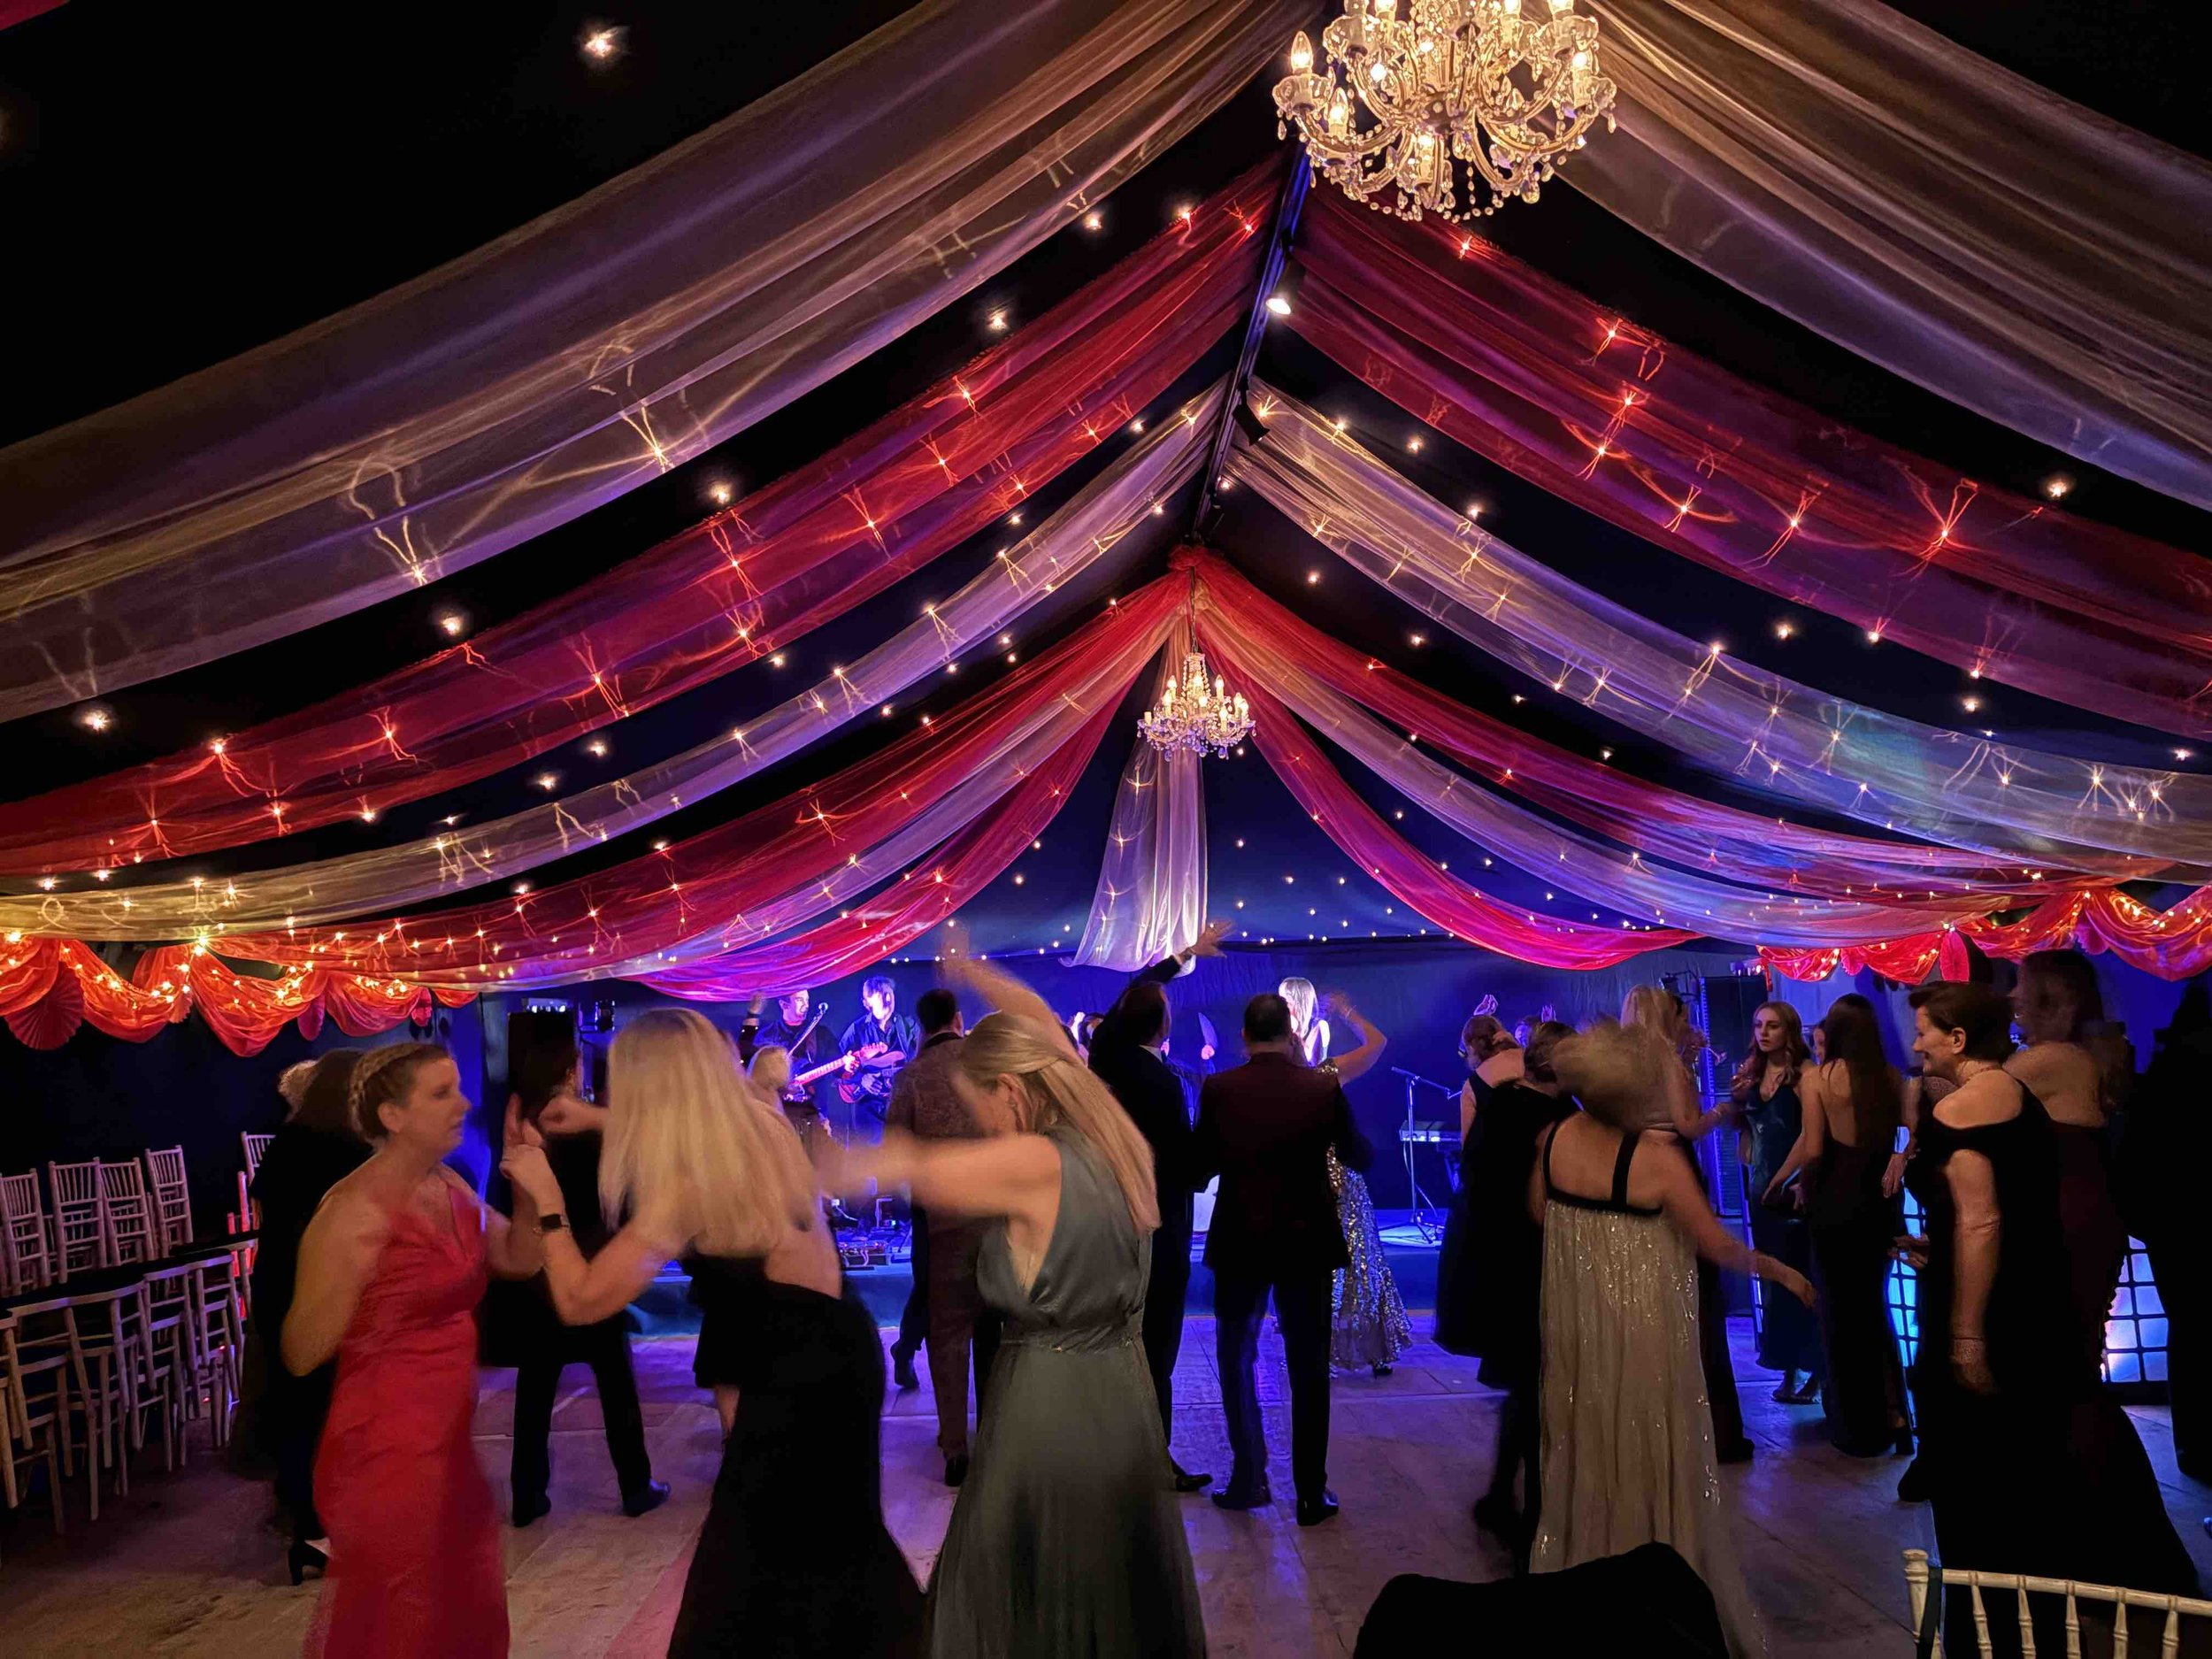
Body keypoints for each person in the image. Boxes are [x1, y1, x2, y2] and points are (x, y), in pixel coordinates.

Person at [502, 1009, 923, 1658]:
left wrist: (546, 1199)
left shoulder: (686, 1183)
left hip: (793, 1376)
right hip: (842, 1346)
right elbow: (684, 1130)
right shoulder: (758, 1117)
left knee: (755, 1572)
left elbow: (583, 1299)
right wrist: (591, 1120)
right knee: (834, 1540)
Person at [849, 955, 1204, 1656]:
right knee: (1110, 1586)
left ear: (1011, 1090)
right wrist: (976, 967)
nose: (977, 1124)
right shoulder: (1111, 1138)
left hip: (1048, 1408)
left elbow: (904, 1168)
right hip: (1121, 1400)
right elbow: (1047, 1032)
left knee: (1023, 1589)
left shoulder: (1037, 1160)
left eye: (978, 1106)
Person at [1901, 981, 2199, 1648]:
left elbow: (1981, 1220)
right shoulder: (2011, 1093)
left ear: (1956, 1038)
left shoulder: (1968, 1106)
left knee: (1976, 1477)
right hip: (2034, 1299)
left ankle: (1995, 1631)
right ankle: (2042, 1618)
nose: (1915, 1041)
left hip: (1993, 1309)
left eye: (1924, 1029)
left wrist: (1967, 1336)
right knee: (2022, 1464)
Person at [1531, 1021, 1812, 1659]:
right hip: (1643, 1323)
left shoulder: (1555, 1137)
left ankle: (1585, 1567)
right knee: (1650, 1432)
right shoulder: (1656, 1156)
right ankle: (1657, 1571)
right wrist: (1782, 1270)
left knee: (1587, 1436)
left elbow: (1538, 1213)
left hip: (1579, 1323)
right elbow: (1716, 1245)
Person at [282, 1042, 548, 1657]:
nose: (465, 1102)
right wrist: (359, 1295)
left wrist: (529, 1183)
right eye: (442, 1092)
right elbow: (299, 1351)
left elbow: (518, 1256)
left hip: (445, 1441)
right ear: (392, 1116)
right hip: (385, 1449)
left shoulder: (448, 1184)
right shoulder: (353, 1213)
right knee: (407, 1621)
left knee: (467, 1608)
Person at [1198, 990, 1374, 1525]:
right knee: (1307, 1366)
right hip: (1306, 1239)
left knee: (1236, 1358)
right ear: (1291, 1034)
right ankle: (1310, 1493)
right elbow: (1357, 1155)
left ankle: (1248, 1477)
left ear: (1245, 1038)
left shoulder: (1221, 1088)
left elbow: (1201, 1160)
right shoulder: (1321, 1087)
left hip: (1242, 1238)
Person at [1085, 922, 1233, 1494]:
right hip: (1157, 1229)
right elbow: (1187, 1168)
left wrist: (1180, 958)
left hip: (1107, 1222)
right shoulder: (1164, 1084)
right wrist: (1219, 1128)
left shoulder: (1107, 1057)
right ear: (1165, 1025)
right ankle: (1150, 1459)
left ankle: (1111, 1454)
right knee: (1155, 1351)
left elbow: (1132, 997)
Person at [503, 1036, 665, 1528]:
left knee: (534, 1390)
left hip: (539, 1266)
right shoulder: (587, 1119)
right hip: (590, 1257)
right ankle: (635, 1487)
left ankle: (527, 1496)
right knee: (616, 1384)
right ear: (570, 1069)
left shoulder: (522, 1121)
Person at [1763, 995, 1913, 1458]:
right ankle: (1897, 1417)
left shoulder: (1821, 1079)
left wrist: (1800, 1188)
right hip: (1880, 1203)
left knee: (1838, 1316)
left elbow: (1812, 1150)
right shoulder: (1890, 1078)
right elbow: (1915, 1132)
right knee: (1875, 1310)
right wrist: (1900, 1160)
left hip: (1835, 1202)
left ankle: (1855, 1428)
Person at [1454, 1019, 1575, 1563]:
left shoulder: (1495, 1104)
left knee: (1526, 1387)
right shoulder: (1559, 1119)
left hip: (1493, 1262)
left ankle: (1505, 1496)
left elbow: (1472, 1175)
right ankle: (1534, 1516)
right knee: (1538, 1388)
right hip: (1537, 1264)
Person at [250, 1049, 370, 1586]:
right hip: (330, 1287)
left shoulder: (285, 1144)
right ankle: (339, 1522)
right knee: (339, 1408)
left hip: (277, 1282)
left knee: (296, 1405)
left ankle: (308, 1530)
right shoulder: (354, 1150)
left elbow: (264, 1220)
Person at [1623, 986, 1752, 1463]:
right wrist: (1723, 1107)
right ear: (1669, 1016)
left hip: (1638, 1173)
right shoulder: (1667, 1063)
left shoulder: (1629, 1064)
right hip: (1674, 1166)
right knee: (1700, 1290)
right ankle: (1717, 1430)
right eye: (1682, 1013)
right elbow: (1687, 1125)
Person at [882, 987, 1002, 1485]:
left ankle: (955, 1449)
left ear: (920, 1026)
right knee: (995, 1331)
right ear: (957, 1019)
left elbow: (893, 1156)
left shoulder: (910, 1076)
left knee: (947, 1334)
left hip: (939, 1224)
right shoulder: (986, 1070)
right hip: (995, 1218)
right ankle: (998, 1440)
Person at [2008, 950, 2128, 1366]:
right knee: (2075, 1354)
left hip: (2063, 1215)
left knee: (2058, 1359)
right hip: (2084, 1211)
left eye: (2021, 984)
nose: (2012, 995)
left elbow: (1970, 1100)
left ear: (2047, 997)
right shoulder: (2081, 1053)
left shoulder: (2050, 1058)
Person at [2117, 984, 2208, 1486]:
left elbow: (2135, 1161)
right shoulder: (2179, 1074)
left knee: (2191, 1333)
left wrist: (2148, 1224)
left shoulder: (2165, 1077)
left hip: (2177, 1225)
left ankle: (2197, 1450)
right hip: (2183, 1220)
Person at [1730, 1002, 1824, 1406]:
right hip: (1759, 1187)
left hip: (1793, 1187)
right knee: (1773, 1281)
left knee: (1802, 1276)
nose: (1763, 1033)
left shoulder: (1805, 1076)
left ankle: (1816, 1371)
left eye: (1772, 1026)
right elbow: (1746, 1131)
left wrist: (1789, 1178)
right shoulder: (1750, 1074)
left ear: (1790, 1030)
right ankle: (1787, 1367)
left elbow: (1812, 1135)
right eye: (1757, 1025)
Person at [1312, 995, 1409, 1377]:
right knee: (1347, 1257)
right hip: (1324, 1178)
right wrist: (1346, 1011)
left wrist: (1341, 1012)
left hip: (1329, 1177)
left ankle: (1353, 1345)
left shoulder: (1321, 1072)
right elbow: (1377, 1043)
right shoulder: (1319, 1074)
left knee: (1356, 1254)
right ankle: (1333, 1345)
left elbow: (1378, 1045)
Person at [1435, 1008, 1522, 1357]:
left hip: (1490, 1181)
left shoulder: (1475, 1083)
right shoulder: (1527, 1066)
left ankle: (1488, 1334)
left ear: (1473, 1046)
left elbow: (1469, 1143)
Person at [838, 975, 920, 1144]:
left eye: (890, 994)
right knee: (871, 1162)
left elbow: (922, 1061)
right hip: (868, 1110)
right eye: (882, 994)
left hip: (900, 1107)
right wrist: (862, 1079)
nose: (888, 999)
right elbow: (838, 1069)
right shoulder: (856, 1030)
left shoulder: (908, 1026)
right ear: (867, 1002)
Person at [1280, 977, 1332, 1068]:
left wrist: (1294, 1033)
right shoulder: (1280, 1024)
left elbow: (1316, 1064)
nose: (1279, 1004)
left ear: (1298, 1001)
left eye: (1284, 1000)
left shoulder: (1319, 1026)